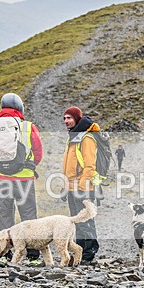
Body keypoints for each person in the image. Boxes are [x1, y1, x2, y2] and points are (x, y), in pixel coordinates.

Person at [0, 93, 43, 266]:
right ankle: (33, 256)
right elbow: (38, 151)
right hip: (24, 179)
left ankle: (4, 254)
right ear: (20, 107)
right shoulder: (28, 126)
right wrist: (29, 166)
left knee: (5, 215)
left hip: (3, 179)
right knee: (28, 216)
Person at [62, 106, 100, 265]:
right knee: (77, 221)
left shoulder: (87, 138)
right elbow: (69, 165)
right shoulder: (73, 137)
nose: (66, 121)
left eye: (69, 118)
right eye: (64, 118)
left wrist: (83, 188)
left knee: (86, 221)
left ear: (77, 119)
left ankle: (89, 254)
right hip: (72, 187)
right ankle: (81, 253)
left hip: (83, 188)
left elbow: (90, 166)